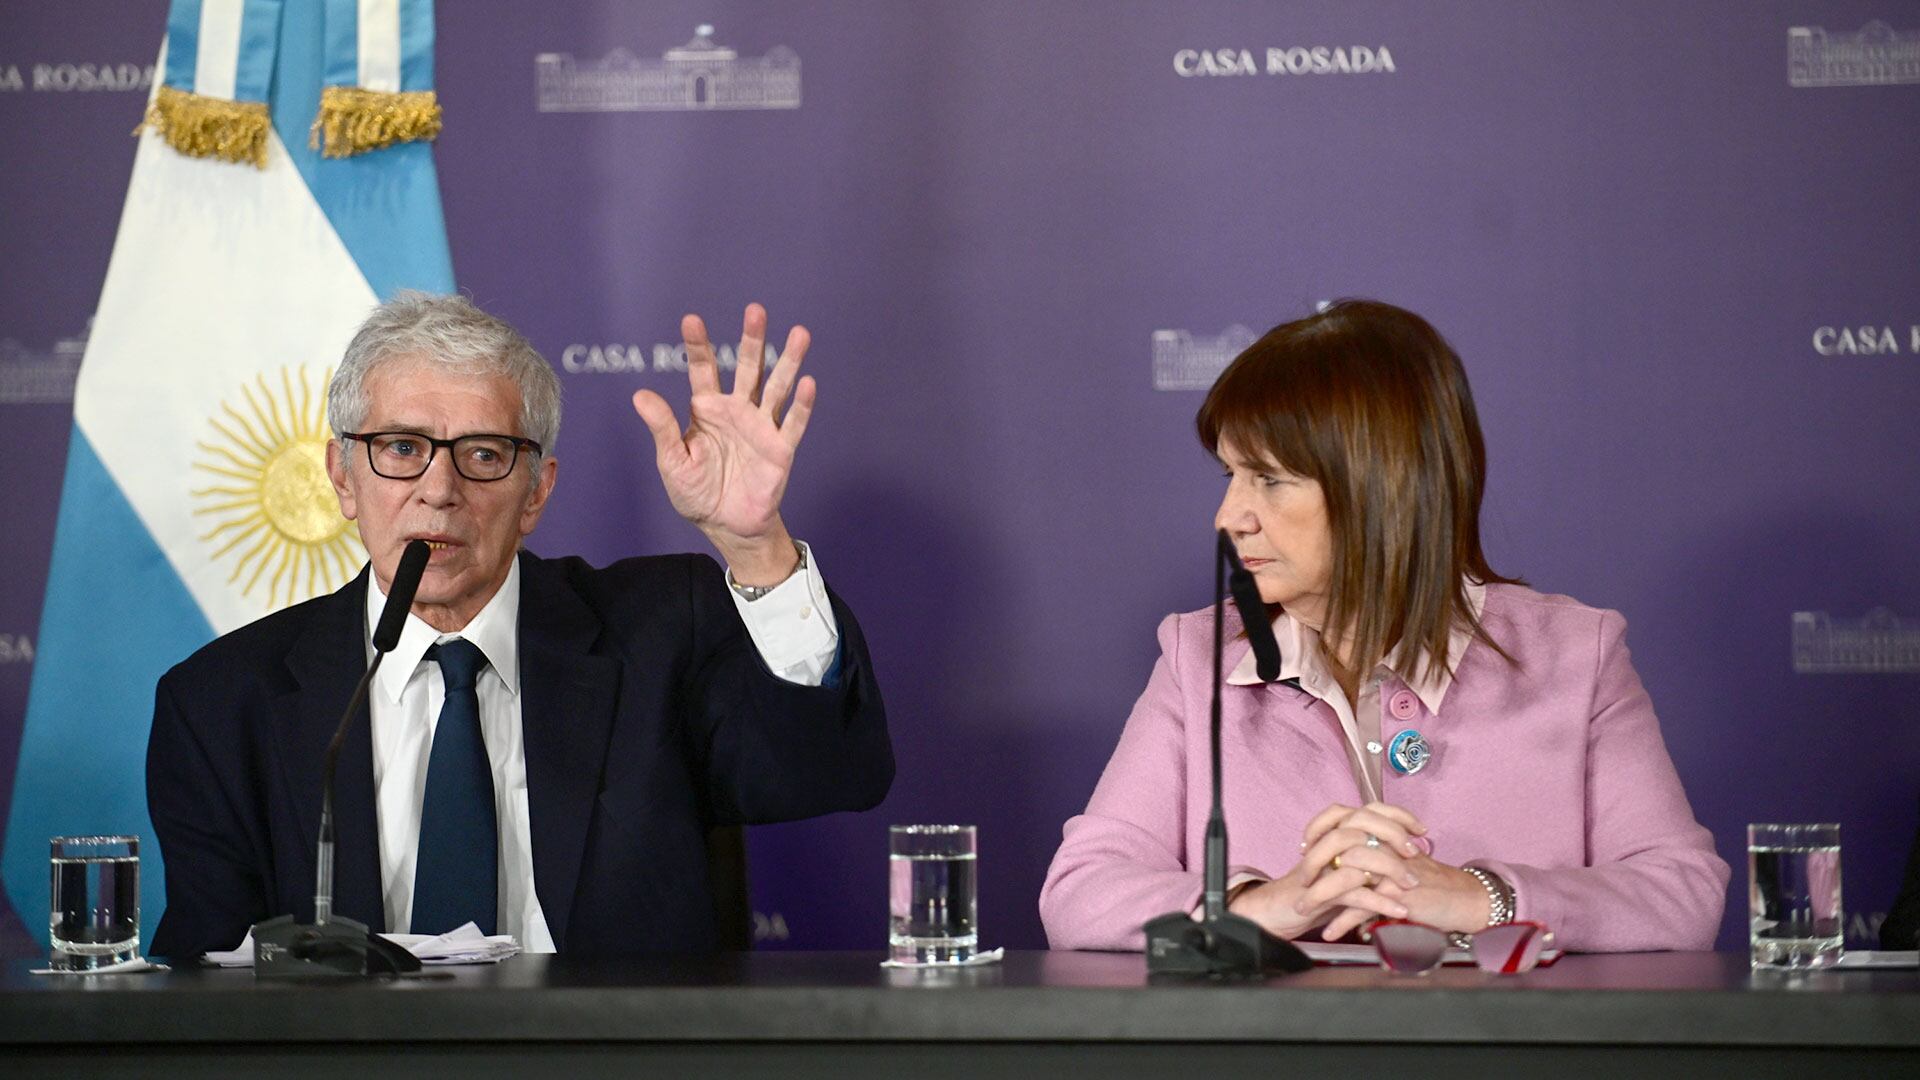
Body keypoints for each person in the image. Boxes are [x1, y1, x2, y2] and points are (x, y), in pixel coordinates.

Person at [146, 293, 892, 958]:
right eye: (402, 449)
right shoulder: (222, 703)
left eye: (483, 455)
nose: (438, 491)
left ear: (535, 492)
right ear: (344, 477)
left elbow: (833, 771)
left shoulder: (663, 633)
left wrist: (755, 545)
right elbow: (205, 990)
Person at [1039, 300, 1727, 953]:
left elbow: (1682, 893)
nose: (1229, 517)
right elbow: (1081, 891)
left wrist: (1483, 899)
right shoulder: (1198, 659)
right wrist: (1257, 907)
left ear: (1383, 484)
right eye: (1229, 475)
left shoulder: (1577, 654)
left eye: (1270, 480)